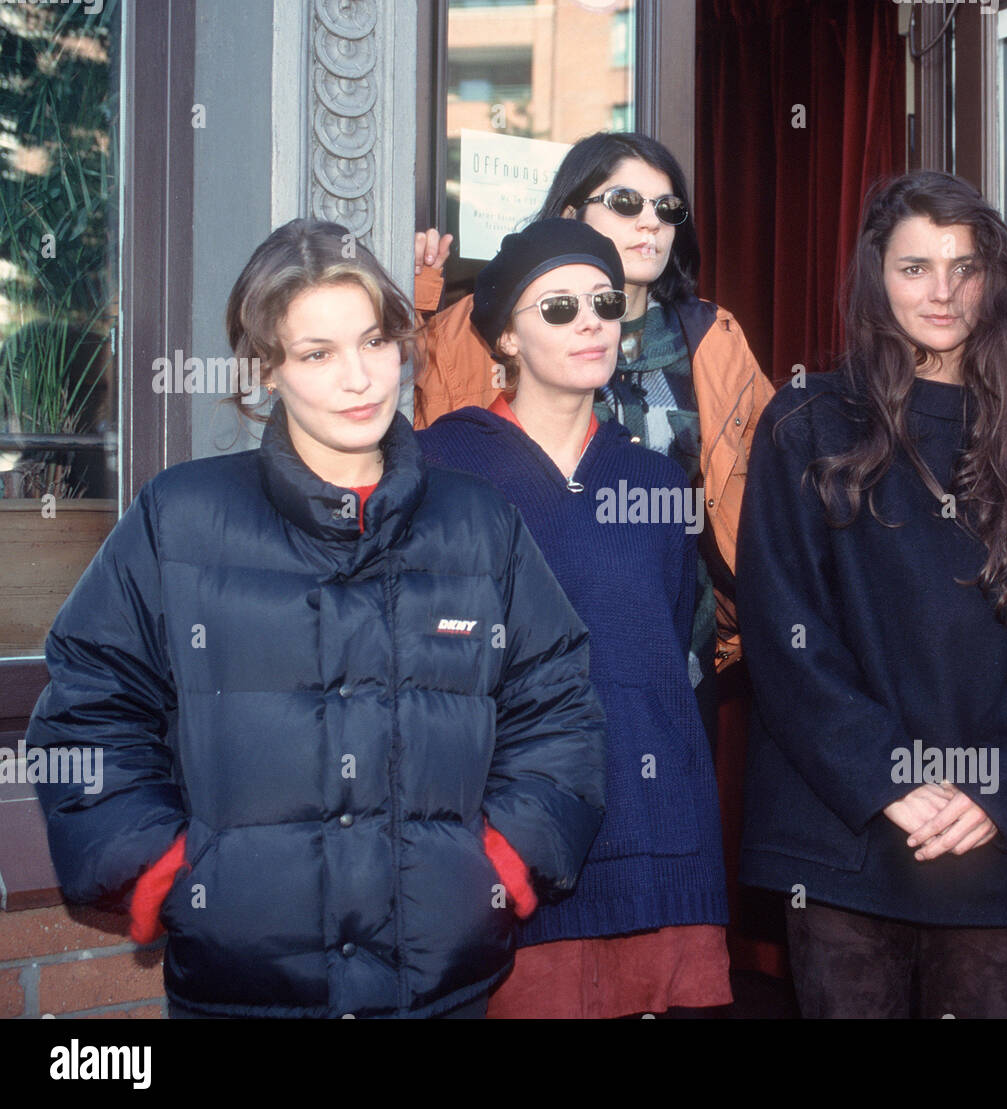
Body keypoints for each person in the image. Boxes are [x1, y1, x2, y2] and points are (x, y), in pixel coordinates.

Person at [23, 218, 606, 1019]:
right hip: (243, 992)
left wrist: (499, 865)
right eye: (317, 353)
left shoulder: (480, 523)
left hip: (441, 992)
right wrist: (167, 871)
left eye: (374, 341)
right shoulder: (181, 518)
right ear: (268, 370)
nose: (360, 378)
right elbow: (87, 711)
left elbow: (559, 713)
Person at [736, 170, 1007, 1019]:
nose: (942, 291)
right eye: (915, 267)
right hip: (846, 832)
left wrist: (996, 789)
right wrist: (885, 777)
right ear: (877, 276)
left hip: (997, 840)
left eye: (964, 266)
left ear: (995, 278)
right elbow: (782, 625)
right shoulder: (805, 422)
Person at [418, 218, 730, 1018]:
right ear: (506, 339)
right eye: (557, 307)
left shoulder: (658, 480)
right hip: (508, 855)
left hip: (657, 845)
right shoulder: (441, 467)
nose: (591, 320)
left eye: (603, 301)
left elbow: (669, 658)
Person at [414, 131, 774, 702]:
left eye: (667, 208)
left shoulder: (712, 338)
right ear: (569, 213)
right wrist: (413, 303)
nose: (650, 223)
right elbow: (395, 444)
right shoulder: (475, 332)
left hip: (673, 653)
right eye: (626, 202)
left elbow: (769, 489)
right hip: (514, 656)